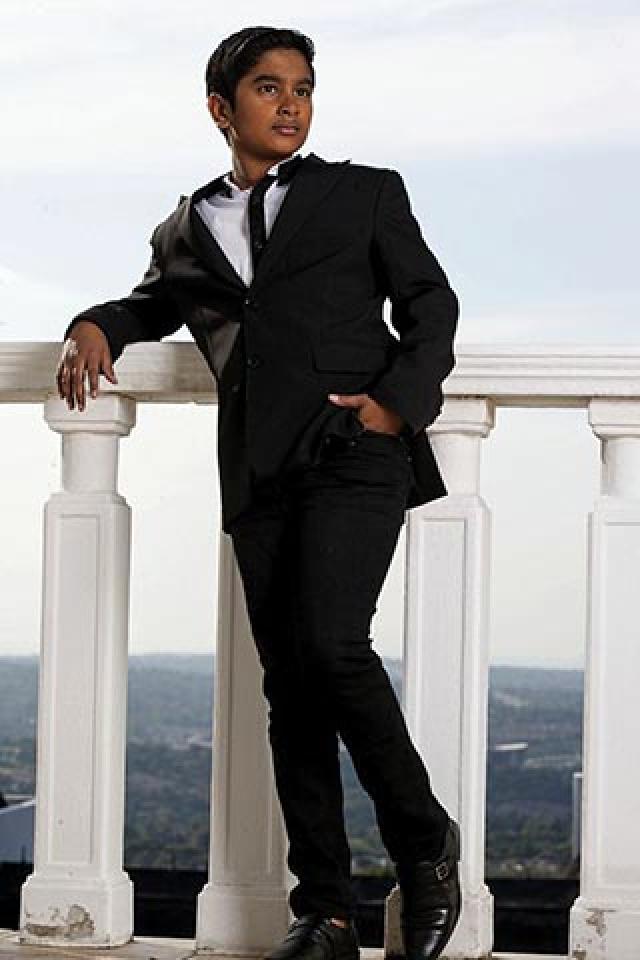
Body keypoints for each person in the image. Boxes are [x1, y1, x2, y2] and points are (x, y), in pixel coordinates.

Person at [56, 25, 462, 960]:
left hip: (355, 451)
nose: (290, 104)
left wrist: (396, 406)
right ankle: (325, 911)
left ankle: (422, 843)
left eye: (303, 88)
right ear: (221, 107)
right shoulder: (186, 227)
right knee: (292, 691)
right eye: (269, 87)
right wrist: (94, 325)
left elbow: (430, 304)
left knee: (332, 646)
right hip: (258, 468)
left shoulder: (362, 193)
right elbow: (151, 304)